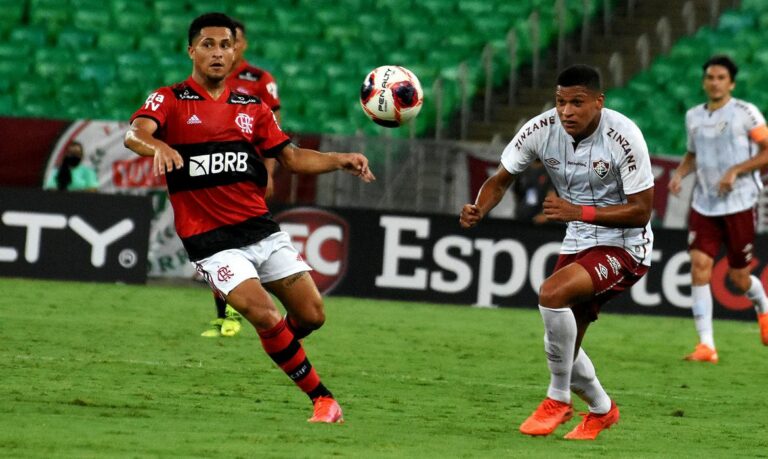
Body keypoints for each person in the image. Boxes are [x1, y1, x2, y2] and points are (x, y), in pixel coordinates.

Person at [124, 12, 375, 423]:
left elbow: (291, 157)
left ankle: (279, 347)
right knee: (264, 314)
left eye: (225, 45)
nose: (218, 52)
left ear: (235, 51)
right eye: (208, 44)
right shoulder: (170, 99)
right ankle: (323, 400)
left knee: (312, 315)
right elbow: (135, 133)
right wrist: (157, 148)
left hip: (260, 229)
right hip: (210, 239)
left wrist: (338, 160)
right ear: (192, 51)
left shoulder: (251, 106)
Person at [460, 65, 654, 440]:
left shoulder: (624, 136)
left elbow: (642, 209)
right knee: (565, 344)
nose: (566, 111)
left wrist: (577, 211)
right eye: (561, 101)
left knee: (552, 293)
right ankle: (602, 410)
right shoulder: (540, 129)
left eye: (577, 103)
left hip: (626, 245)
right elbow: (500, 179)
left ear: (599, 102)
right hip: (578, 236)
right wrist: (479, 208)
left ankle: (557, 398)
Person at [669, 55, 768, 363]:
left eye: (721, 78)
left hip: (739, 203)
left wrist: (736, 170)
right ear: (704, 81)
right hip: (704, 204)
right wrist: (679, 173)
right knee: (699, 265)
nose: (714, 82)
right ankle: (707, 345)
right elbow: (692, 153)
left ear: (731, 83)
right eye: (710, 77)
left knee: (739, 279)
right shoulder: (693, 116)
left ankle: (763, 308)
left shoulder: (746, 113)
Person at [200, 17, 285, 339]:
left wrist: (270, 170)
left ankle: (238, 312)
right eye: (216, 43)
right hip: (212, 170)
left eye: (230, 42)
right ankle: (225, 315)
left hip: (248, 169)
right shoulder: (208, 78)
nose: (224, 48)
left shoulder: (259, 79)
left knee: (241, 241)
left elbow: (273, 129)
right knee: (215, 242)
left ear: (241, 45)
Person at [510, 158, 552, 224]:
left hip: (541, 220)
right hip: (521, 217)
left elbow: (552, 195)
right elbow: (516, 192)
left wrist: (545, 215)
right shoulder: (522, 169)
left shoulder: (550, 171)